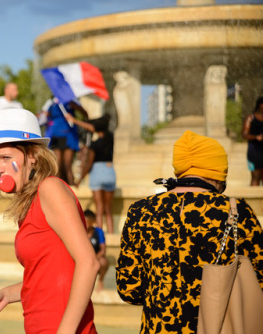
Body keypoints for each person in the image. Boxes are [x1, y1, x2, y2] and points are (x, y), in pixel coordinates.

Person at [116, 130, 263, 333]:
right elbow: (259, 281)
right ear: (219, 170)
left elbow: (129, 289)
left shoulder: (140, 211)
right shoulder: (238, 212)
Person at [0, 108, 99, 333]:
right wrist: (6, 295)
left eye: (6, 157)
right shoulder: (30, 204)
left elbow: (89, 263)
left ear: (32, 156)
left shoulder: (50, 189)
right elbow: (48, 278)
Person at [68, 113, 116, 233]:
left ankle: (100, 236)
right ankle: (111, 233)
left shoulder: (94, 145)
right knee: (108, 210)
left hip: (97, 172)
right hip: (110, 171)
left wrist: (79, 180)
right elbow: (94, 128)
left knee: (99, 209)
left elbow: (88, 165)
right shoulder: (110, 137)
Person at [46, 99, 88, 186]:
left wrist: (76, 107)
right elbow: (46, 117)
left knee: (67, 164)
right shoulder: (51, 103)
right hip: (56, 135)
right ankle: (59, 187)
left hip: (69, 136)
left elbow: (85, 115)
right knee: (58, 165)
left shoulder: (72, 102)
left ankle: (72, 189)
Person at [84, 209, 109, 292]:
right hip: (82, 259)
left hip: (96, 258)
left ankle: (101, 280)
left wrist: (93, 258)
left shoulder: (98, 232)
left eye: (87, 221)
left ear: (92, 222)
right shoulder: (80, 231)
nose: (85, 223)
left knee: (104, 262)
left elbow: (103, 250)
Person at [242, 96, 263, 186]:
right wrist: (255, 137)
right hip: (254, 151)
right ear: (261, 105)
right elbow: (245, 134)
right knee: (256, 177)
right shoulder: (251, 118)